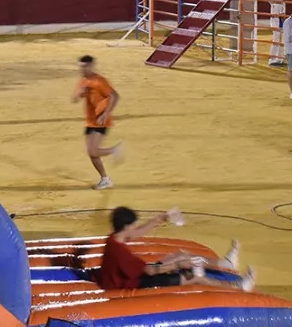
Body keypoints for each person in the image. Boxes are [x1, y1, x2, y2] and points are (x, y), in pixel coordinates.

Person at [97, 207, 254, 292]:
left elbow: (136, 233)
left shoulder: (114, 238)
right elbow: (150, 271)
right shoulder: (120, 252)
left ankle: (225, 263)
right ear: (126, 227)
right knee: (194, 276)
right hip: (136, 283)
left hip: (134, 277)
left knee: (180, 255)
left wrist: (160, 218)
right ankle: (238, 287)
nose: (134, 228)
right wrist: (178, 266)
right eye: (132, 225)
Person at [72, 55, 122, 190]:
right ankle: (105, 179)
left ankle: (115, 150)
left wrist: (106, 113)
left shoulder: (100, 81)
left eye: (85, 67)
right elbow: (74, 99)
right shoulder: (83, 81)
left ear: (91, 66)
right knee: (91, 153)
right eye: (80, 67)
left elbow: (115, 96)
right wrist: (81, 93)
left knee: (93, 151)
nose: (82, 70)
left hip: (101, 120)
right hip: (90, 121)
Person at [266, 0, 288, 66]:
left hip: (278, 22)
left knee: (279, 40)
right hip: (276, 21)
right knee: (276, 40)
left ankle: (279, 59)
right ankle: (272, 60)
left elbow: (283, 15)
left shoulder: (281, 1)